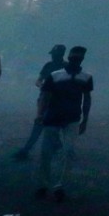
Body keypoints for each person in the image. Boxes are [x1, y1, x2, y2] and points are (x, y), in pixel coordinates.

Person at [36, 45, 92, 203]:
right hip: (54, 117)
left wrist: (85, 119)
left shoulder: (85, 77)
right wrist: (40, 114)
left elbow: (87, 99)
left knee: (65, 151)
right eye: (75, 58)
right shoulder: (56, 75)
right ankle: (45, 185)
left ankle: (57, 186)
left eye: (78, 59)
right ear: (70, 58)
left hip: (71, 118)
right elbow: (45, 96)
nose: (76, 61)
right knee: (47, 153)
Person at [14, 44, 68, 160]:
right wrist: (41, 85)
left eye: (55, 54)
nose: (53, 57)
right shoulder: (49, 65)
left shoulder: (67, 67)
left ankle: (27, 150)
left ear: (61, 55)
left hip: (59, 100)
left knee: (44, 123)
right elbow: (39, 80)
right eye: (53, 55)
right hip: (46, 99)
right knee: (42, 122)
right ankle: (29, 149)